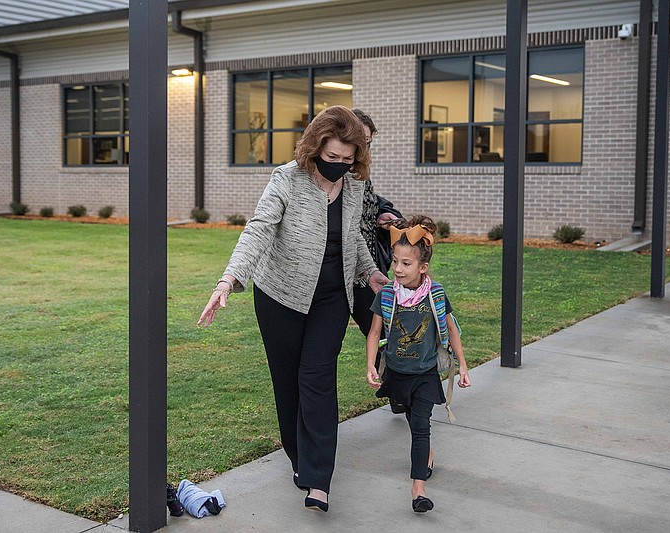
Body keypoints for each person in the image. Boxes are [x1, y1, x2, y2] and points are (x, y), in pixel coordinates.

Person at [198, 105, 389, 513]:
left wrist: (371, 273)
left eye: (347, 159)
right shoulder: (287, 178)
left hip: (332, 297)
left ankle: (319, 480)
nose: (338, 166)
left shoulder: (354, 186)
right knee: (287, 382)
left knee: (317, 377)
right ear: (315, 147)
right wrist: (228, 280)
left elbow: (352, 236)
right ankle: (300, 460)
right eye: (331, 157)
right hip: (280, 296)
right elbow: (259, 229)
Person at [365, 215, 471, 513]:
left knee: (421, 425)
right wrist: (371, 366)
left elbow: (451, 329)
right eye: (395, 262)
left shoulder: (435, 294)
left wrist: (463, 366)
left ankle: (418, 490)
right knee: (412, 420)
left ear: (422, 267)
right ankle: (427, 455)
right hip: (398, 373)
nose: (398, 269)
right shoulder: (387, 295)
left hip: (425, 374)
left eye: (406, 264)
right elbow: (374, 333)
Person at [350, 109, 404, 411]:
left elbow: (372, 201)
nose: (365, 149)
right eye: (362, 141)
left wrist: (386, 215)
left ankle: (399, 395)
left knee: (387, 333)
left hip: (369, 272)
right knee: (380, 333)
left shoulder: (361, 172)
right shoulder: (335, 171)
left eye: (369, 143)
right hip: (346, 276)